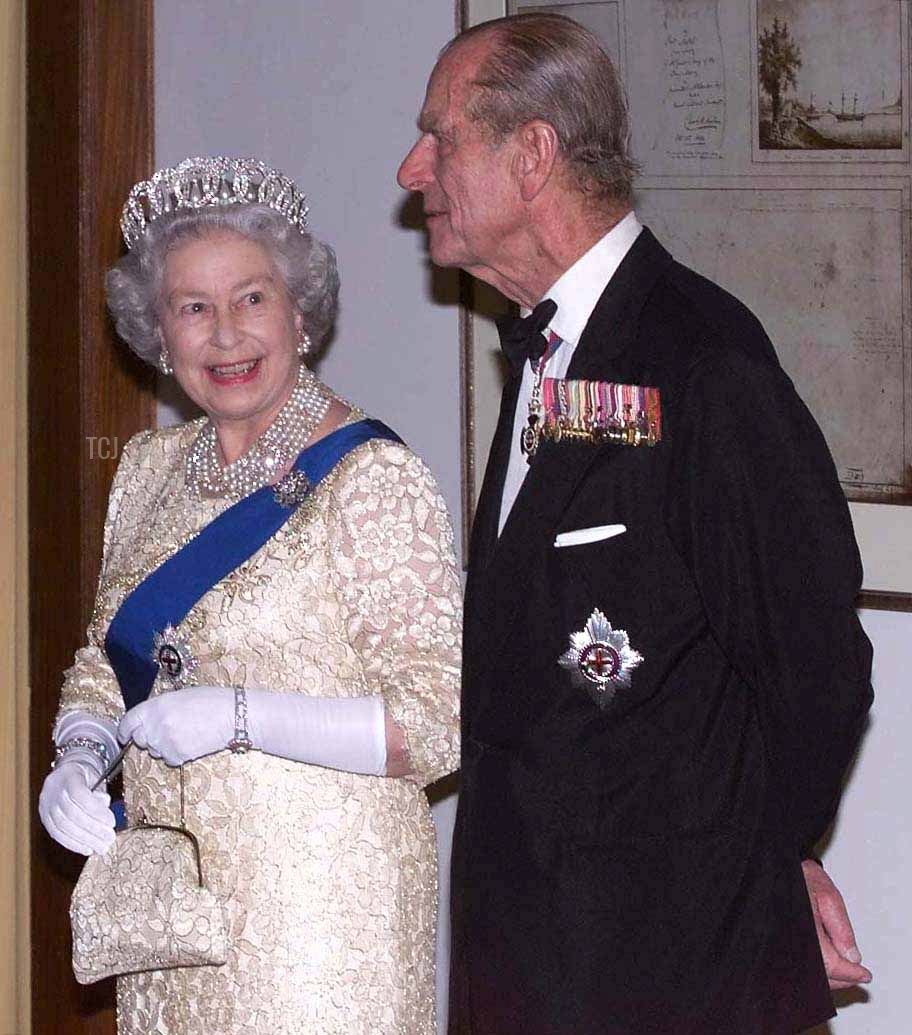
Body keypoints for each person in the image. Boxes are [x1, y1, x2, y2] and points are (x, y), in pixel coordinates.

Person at [397, 14, 874, 1034]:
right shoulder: (552, 351)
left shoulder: (704, 362)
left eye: (440, 137)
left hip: (669, 976)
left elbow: (816, 663)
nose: (412, 168)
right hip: (536, 962)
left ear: (532, 154)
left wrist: (768, 865)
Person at [38, 156, 461, 1035]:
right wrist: (78, 754)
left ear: (299, 312)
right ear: (158, 333)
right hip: (171, 920)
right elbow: (104, 665)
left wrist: (241, 714)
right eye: (193, 307)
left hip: (322, 928)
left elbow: (443, 717)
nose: (225, 333)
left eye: (252, 297)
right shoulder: (147, 473)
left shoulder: (372, 476)